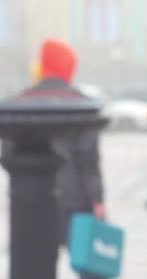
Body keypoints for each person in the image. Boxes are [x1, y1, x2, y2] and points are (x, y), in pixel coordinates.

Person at [36, 39, 106, 279]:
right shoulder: (81, 105)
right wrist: (97, 200)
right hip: (76, 199)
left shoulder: (26, 101)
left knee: (40, 262)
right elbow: (88, 161)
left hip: (36, 199)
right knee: (89, 265)